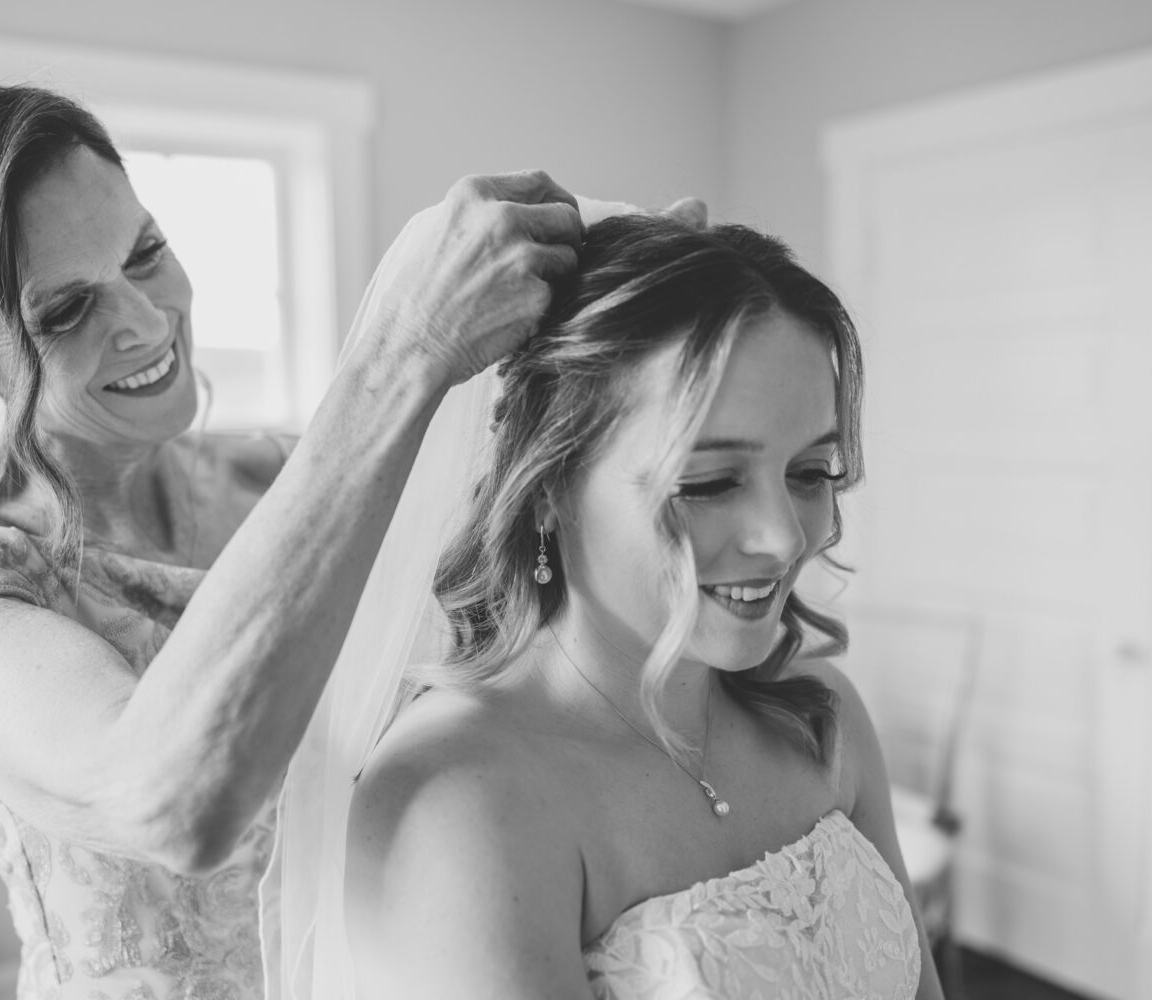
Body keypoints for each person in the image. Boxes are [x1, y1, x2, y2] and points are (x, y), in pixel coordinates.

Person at [0, 77, 586, 999]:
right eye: (65, 312)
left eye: (145, 253)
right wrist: (399, 352)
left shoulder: (280, 479)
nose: (148, 322)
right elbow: (170, 802)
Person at [272, 213, 944, 999]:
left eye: (812, 470)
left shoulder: (823, 716)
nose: (781, 536)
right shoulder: (462, 799)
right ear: (550, 485)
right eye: (708, 482)